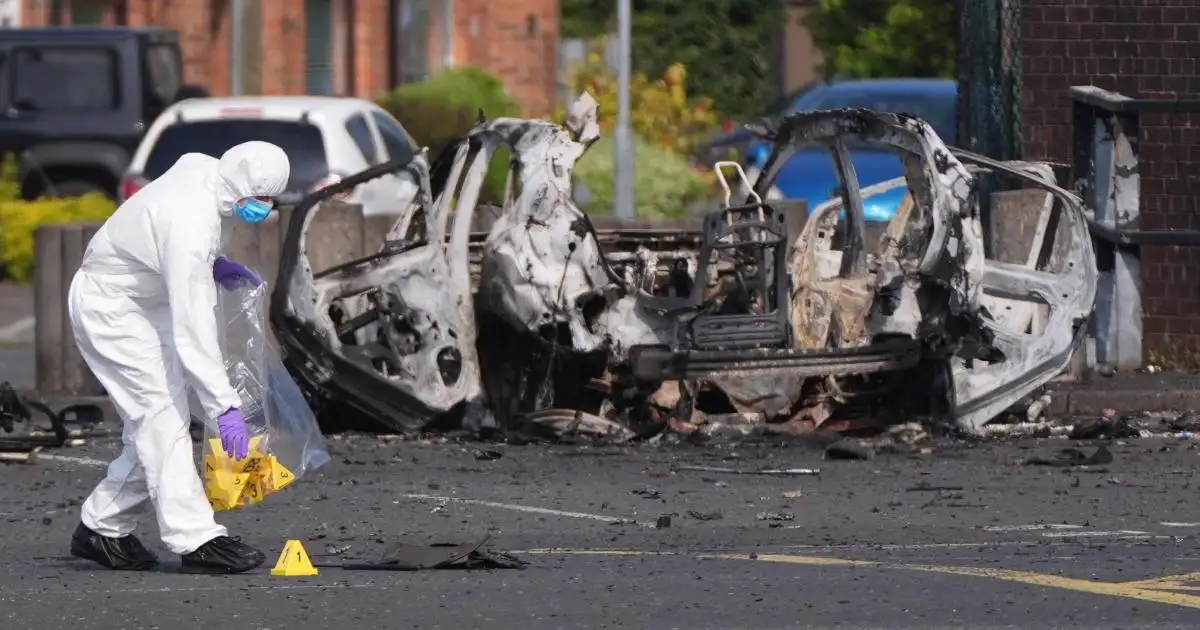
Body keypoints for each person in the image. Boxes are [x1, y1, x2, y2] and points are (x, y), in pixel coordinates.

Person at [67, 141, 290, 574]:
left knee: (156, 425)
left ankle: (102, 526)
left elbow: (176, 243)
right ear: (237, 185)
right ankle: (196, 539)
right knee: (162, 420)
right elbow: (195, 332)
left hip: (145, 302)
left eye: (270, 199)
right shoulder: (188, 222)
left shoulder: (213, 177)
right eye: (257, 198)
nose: (263, 207)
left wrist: (215, 262)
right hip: (111, 309)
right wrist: (224, 407)